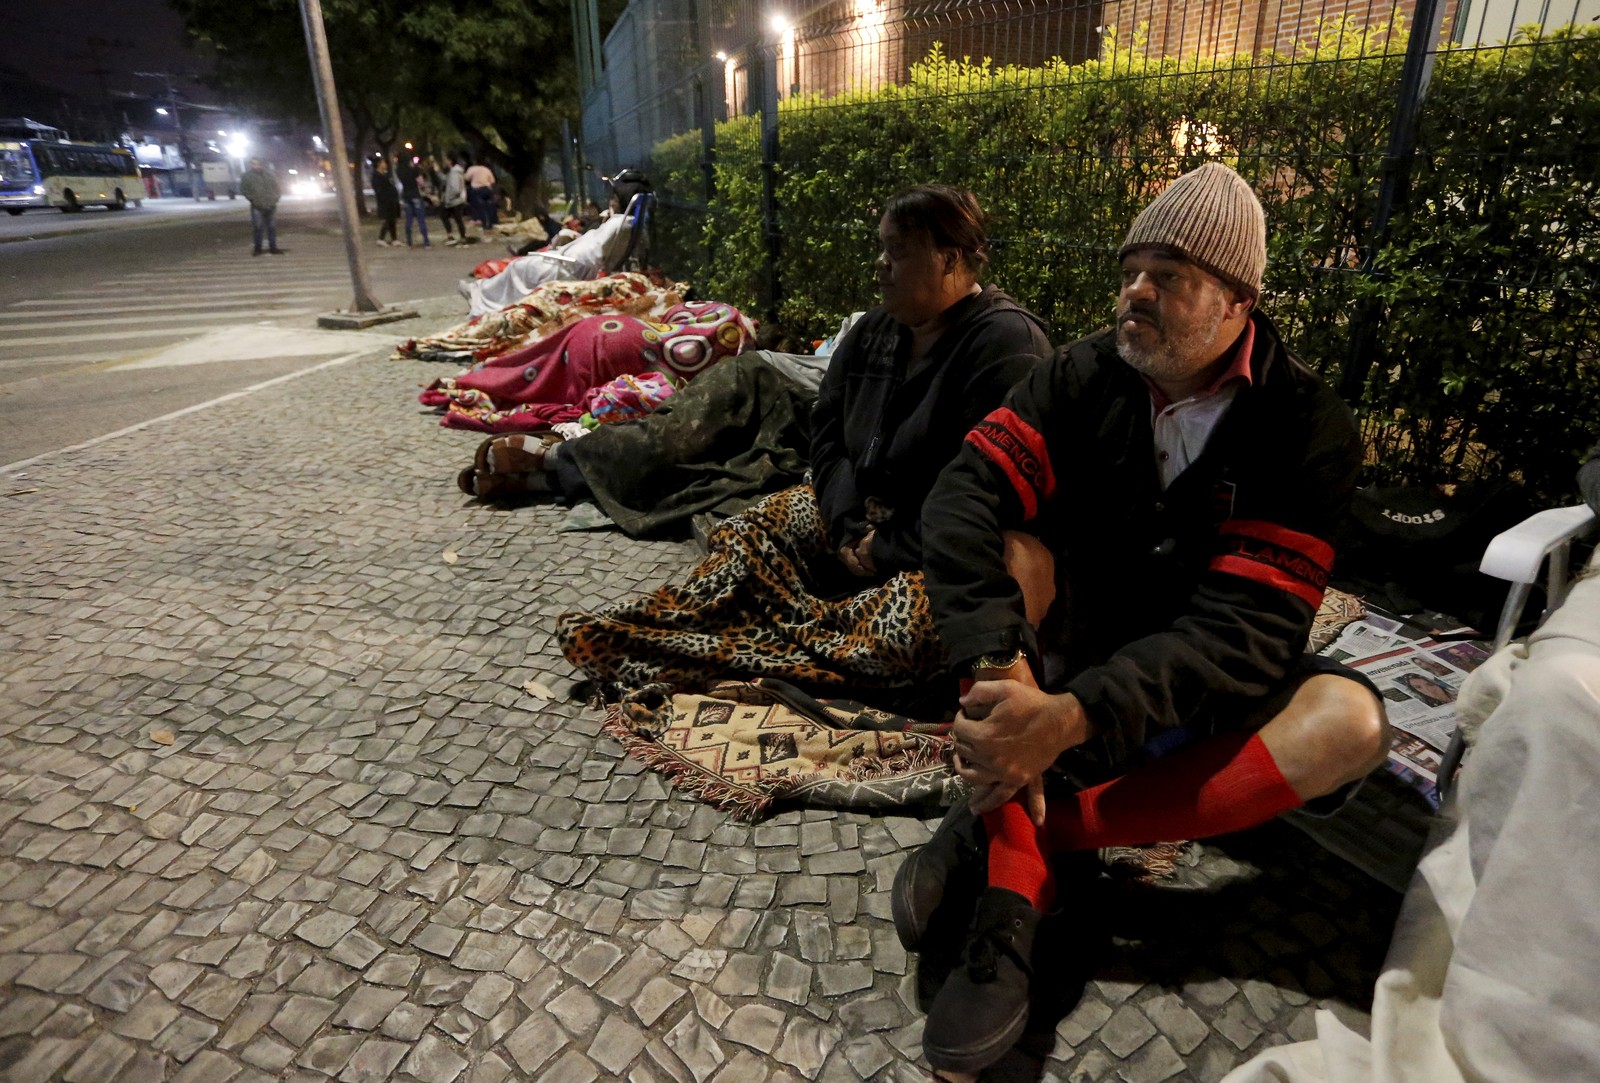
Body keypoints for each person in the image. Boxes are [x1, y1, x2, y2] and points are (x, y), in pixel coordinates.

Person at [896, 163, 1393, 1080]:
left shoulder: (1305, 426)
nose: (1137, 289)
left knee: (1355, 723)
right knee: (1012, 553)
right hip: (1077, 640)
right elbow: (963, 491)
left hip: (1200, 682)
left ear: (1239, 301)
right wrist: (1003, 668)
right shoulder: (1086, 372)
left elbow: (1241, 633)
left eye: (1171, 274)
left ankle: (1026, 833)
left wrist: (1069, 720)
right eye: (1133, 267)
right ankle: (1014, 880)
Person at [553, 185, 1052, 697]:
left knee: (909, 630)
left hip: (942, 549)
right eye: (881, 248)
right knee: (751, 533)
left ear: (949, 258)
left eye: (897, 250)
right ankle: (668, 632)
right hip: (860, 518)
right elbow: (829, 431)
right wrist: (845, 524)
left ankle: (723, 655)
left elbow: (985, 495)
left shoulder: (1004, 347)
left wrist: (889, 547)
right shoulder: (876, 332)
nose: (881, 264)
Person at [239, 158, 283, 256]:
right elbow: (244, 189)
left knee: (271, 228)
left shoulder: (269, 175)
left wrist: (275, 199)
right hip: (257, 206)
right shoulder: (247, 176)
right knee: (258, 228)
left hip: (271, 205)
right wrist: (253, 199)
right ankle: (258, 249)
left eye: (258, 164)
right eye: (254, 164)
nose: (256, 166)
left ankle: (273, 247)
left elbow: (277, 187)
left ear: (262, 165)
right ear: (251, 165)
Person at [395, 155, 431, 248]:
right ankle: (426, 241)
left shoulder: (398, 171)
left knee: (409, 220)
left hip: (406, 196)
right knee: (421, 219)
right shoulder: (414, 170)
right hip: (415, 195)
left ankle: (409, 242)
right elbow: (421, 182)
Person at [371, 156, 400, 247]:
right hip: (386, 201)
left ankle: (394, 239)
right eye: (383, 162)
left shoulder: (384, 174)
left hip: (391, 200)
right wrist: (386, 198)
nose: (385, 164)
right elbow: (380, 190)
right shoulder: (376, 176)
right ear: (379, 164)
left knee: (392, 220)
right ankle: (381, 238)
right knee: (387, 220)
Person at [440, 154, 468, 245]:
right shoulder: (454, 171)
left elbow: (455, 188)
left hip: (454, 200)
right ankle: (460, 236)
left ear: (450, 161)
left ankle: (460, 236)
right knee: (455, 218)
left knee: (455, 218)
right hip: (456, 199)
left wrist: (449, 197)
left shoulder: (454, 173)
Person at [464, 156, 498, 229]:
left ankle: (485, 223)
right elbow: (492, 181)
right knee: (489, 207)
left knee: (480, 208)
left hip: (476, 190)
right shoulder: (487, 169)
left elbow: (466, 178)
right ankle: (492, 223)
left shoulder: (472, 169)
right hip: (487, 189)